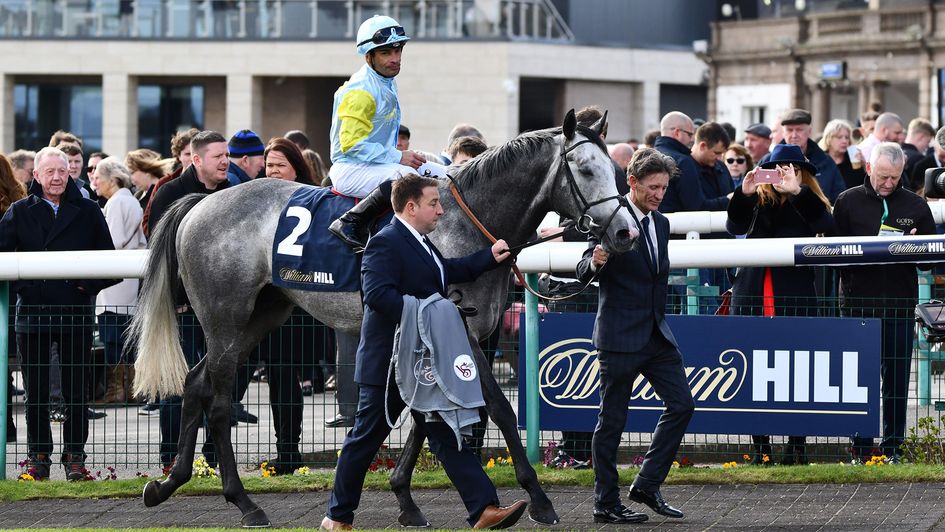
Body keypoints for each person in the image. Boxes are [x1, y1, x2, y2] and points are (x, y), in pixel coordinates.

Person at [321, 174, 526, 531]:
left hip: (419, 361)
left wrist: (489, 258)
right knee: (365, 438)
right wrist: (432, 312)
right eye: (434, 203)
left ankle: (483, 510)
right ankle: (336, 518)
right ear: (411, 207)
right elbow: (377, 296)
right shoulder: (385, 243)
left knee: (445, 431)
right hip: (389, 362)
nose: (441, 211)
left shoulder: (420, 241)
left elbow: (444, 272)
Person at [576, 148, 693, 524]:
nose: (659, 194)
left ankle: (646, 484)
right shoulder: (608, 217)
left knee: (682, 405)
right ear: (632, 183)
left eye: (663, 187)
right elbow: (582, 269)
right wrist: (593, 262)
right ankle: (605, 502)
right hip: (619, 337)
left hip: (657, 336)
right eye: (652, 187)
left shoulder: (661, 224)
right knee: (612, 422)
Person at [0, 147, 117, 480]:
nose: (56, 177)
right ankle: (38, 458)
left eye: (62, 171)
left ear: (71, 174)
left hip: (75, 312)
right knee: (36, 392)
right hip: (33, 315)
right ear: (36, 175)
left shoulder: (90, 210)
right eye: (49, 171)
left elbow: (110, 263)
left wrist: (82, 286)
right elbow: (2, 258)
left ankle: (75, 457)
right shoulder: (20, 211)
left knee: (75, 392)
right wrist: (27, 288)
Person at [727, 144, 834, 466]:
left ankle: (796, 446)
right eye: (778, 168)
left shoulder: (807, 201)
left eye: (792, 169)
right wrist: (743, 194)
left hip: (794, 295)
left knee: (797, 371)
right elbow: (735, 228)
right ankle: (760, 447)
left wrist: (798, 192)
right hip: (754, 294)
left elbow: (826, 226)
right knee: (754, 371)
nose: (784, 174)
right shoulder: (758, 201)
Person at [835, 142, 936, 463]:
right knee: (859, 379)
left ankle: (894, 448)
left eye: (894, 177)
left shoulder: (916, 205)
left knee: (895, 381)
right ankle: (859, 449)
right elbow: (833, 256)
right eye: (882, 177)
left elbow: (929, 264)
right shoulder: (847, 202)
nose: (888, 183)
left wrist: (915, 247)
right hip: (856, 304)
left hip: (897, 302)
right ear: (869, 169)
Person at [147, 130, 232, 472]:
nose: (226, 161)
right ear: (196, 160)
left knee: (219, 384)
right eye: (218, 157)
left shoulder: (231, 193)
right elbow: (160, 252)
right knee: (176, 386)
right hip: (181, 307)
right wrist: (177, 299)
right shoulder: (169, 193)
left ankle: (212, 459)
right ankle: (172, 459)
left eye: (227, 155)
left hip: (219, 308)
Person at [327, 15, 448, 251]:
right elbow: (351, 145)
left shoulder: (385, 80)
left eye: (398, 50)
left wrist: (399, 156)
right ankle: (350, 222)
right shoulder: (361, 90)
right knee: (406, 177)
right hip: (350, 168)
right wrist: (398, 156)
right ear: (368, 56)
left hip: (374, 163)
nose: (395, 59)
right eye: (386, 53)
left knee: (445, 173)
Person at [89, 157, 147, 404]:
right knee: (127, 335)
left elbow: (113, 240)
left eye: (99, 177)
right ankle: (132, 387)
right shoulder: (131, 201)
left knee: (112, 335)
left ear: (112, 179)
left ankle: (116, 389)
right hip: (130, 278)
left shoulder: (115, 203)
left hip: (114, 281)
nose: (95, 181)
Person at [759, 109, 845, 204]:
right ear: (783, 132)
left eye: (799, 130)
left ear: (809, 131)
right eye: (789, 130)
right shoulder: (767, 161)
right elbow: (758, 194)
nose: (794, 135)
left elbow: (838, 196)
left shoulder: (825, 160)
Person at [0, 154, 26, 443]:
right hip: (14, 294)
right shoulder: (19, 201)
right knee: (3, 370)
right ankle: (6, 428)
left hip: (6, 294)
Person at [141, 128, 199, 238]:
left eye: (195, 154)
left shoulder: (212, 181)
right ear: (178, 156)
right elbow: (148, 221)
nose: (192, 158)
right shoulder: (165, 183)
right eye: (187, 154)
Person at [819, 119, 865, 191]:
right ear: (829, 139)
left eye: (847, 137)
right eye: (839, 137)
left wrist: (864, 165)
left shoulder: (853, 162)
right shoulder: (819, 160)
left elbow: (862, 187)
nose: (844, 141)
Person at [901, 118, 935, 188]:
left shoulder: (896, 153)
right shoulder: (919, 160)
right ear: (921, 137)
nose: (927, 146)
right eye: (928, 141)